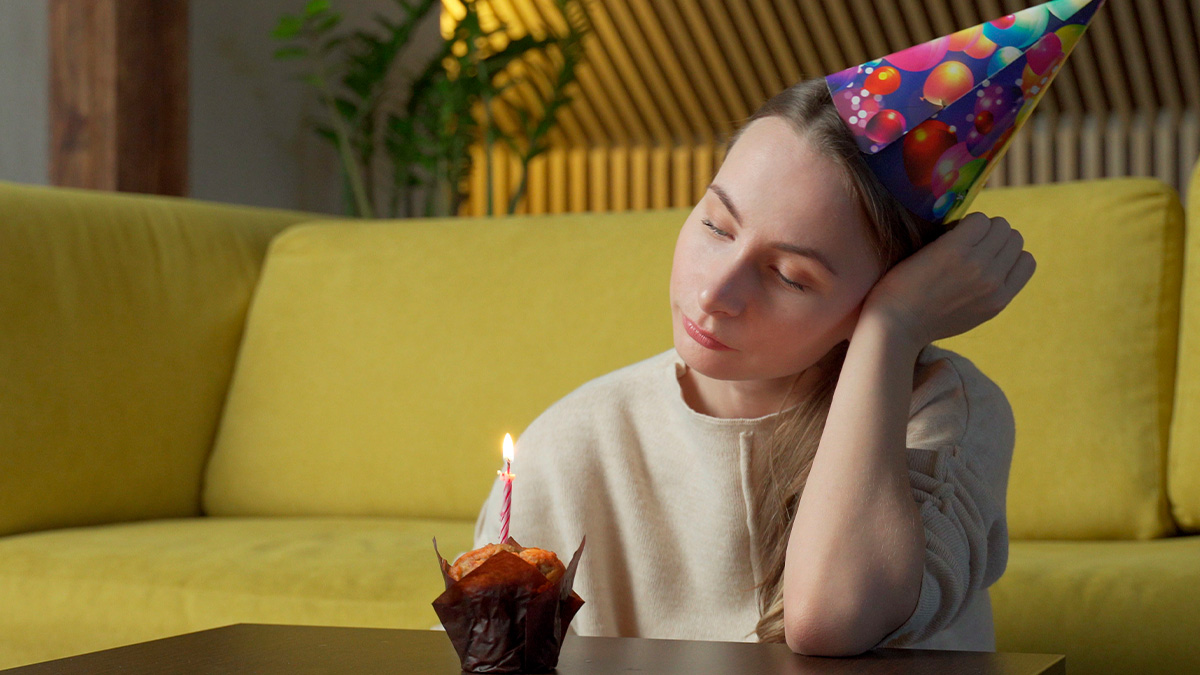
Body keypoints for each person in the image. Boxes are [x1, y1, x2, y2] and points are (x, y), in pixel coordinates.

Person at [473, 75, 1029, 656]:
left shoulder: (944, 413)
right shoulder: (572, 441)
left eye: (790, 276)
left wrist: (890, 329)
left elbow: (832, 620)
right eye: (716, 225)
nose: (715, 293)